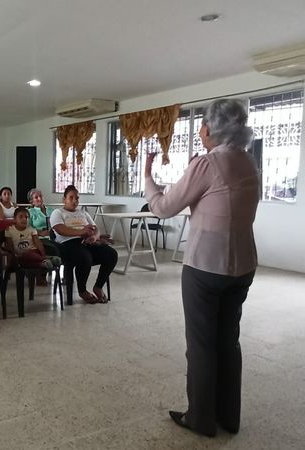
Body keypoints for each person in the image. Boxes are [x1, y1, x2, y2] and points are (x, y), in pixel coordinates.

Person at [144, 99, 259, 437]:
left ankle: (201, 418)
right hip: (243, 265)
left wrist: (148, 177)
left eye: (202, 125)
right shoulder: (248, 161)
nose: (200, 131)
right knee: (228, 341)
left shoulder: (208, 163)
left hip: (206, 267)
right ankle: (229, 416)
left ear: (210, 128)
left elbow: (163, 207)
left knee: (201, 344)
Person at [50, 185, 118, 304]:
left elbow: (96, 229)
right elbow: (60, 230)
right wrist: (82, 232)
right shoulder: (58, 212)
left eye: (77, 198)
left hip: (87, 242)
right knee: (85, 257)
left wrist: (94, 237)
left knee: (111, 254)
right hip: (67, 244)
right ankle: (82, 290)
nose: (74, 201)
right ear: (64, 199)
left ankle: (98, 287)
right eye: (71, 198)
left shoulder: (83, 213)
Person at [27, 188, 60, 285]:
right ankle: (41, 275)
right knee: (50, 248)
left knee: (63, 246)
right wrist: (40, 232)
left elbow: (57, 222)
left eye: (40, 196)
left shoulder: (51, 210)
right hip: (38, 238)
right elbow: (28, 228)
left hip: (53, 236)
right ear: (31, 201)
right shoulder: (30, 212)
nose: (39, 199)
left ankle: (66, 276)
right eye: (36, 197)